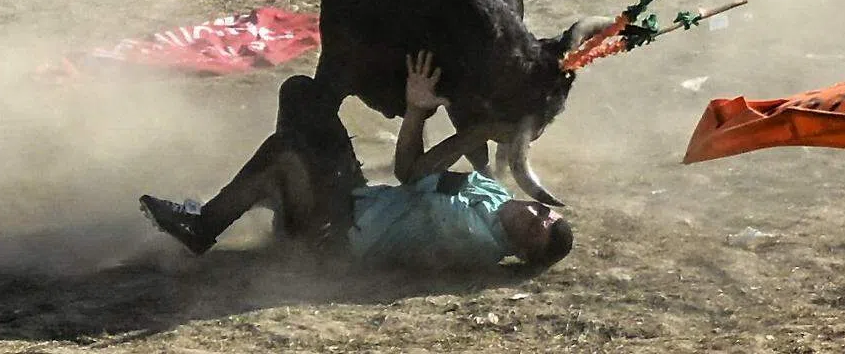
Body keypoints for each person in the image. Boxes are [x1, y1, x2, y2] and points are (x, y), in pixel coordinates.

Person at [140, 51, 574, 270]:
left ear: (522, 252)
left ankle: (205, 227)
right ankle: (279, 197)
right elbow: (419, 170)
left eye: (535, 233)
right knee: (301, 94)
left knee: (286, 153)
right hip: (354, 201)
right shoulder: (492, 195)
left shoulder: (473, 236)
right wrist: (451, 125)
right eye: (542, 213)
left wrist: (439, 121)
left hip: (336, 235)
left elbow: (411, 174)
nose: (533, 215)